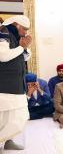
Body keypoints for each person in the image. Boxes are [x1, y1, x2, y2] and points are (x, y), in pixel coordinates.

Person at [0, 15, 32, 150]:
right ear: (16, 24)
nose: (25, 32)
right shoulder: (3, 31)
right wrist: (21, 47)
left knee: (18, 116)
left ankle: (8, 141)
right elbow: (3, 56)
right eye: (24, 29)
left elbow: (26, 56)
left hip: (17, 83)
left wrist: (25, 47)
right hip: (5, 84)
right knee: (3, 117)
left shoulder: (17, 37)